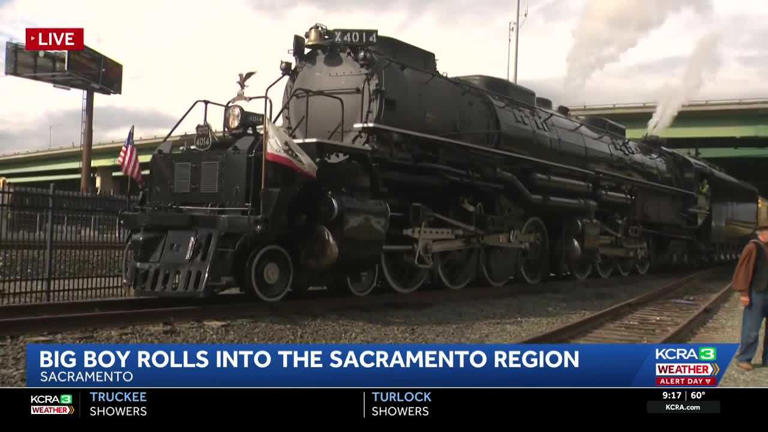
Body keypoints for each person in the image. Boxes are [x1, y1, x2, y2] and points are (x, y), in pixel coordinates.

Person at [732, 225, 768, 371]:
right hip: (757, 293)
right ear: (764, 233)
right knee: (752, 328)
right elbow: (743, 270)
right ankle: (744, 358)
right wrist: (744, 293)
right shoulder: (753, 247)